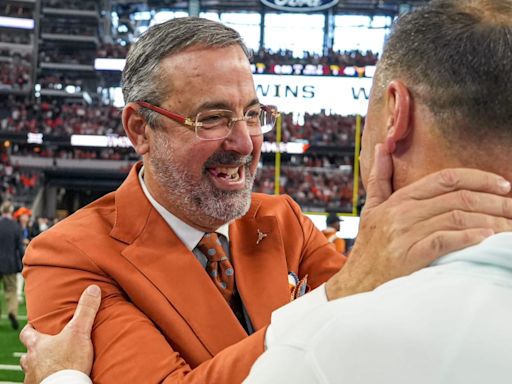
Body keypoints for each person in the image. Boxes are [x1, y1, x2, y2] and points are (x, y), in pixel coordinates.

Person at [21, 15, 512, 384]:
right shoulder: (68, 255)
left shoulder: (282, 219)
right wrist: (344, 287)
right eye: (211, 118)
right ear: (139, 130)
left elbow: (381, 322)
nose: (245, 141)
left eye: (253, 114)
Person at [0, 201, 24, 330]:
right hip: (10, 264)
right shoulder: (15, 226)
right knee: (11, 291)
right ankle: (12, 312)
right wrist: (23, 261)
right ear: (11, 211)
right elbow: (20, 248)